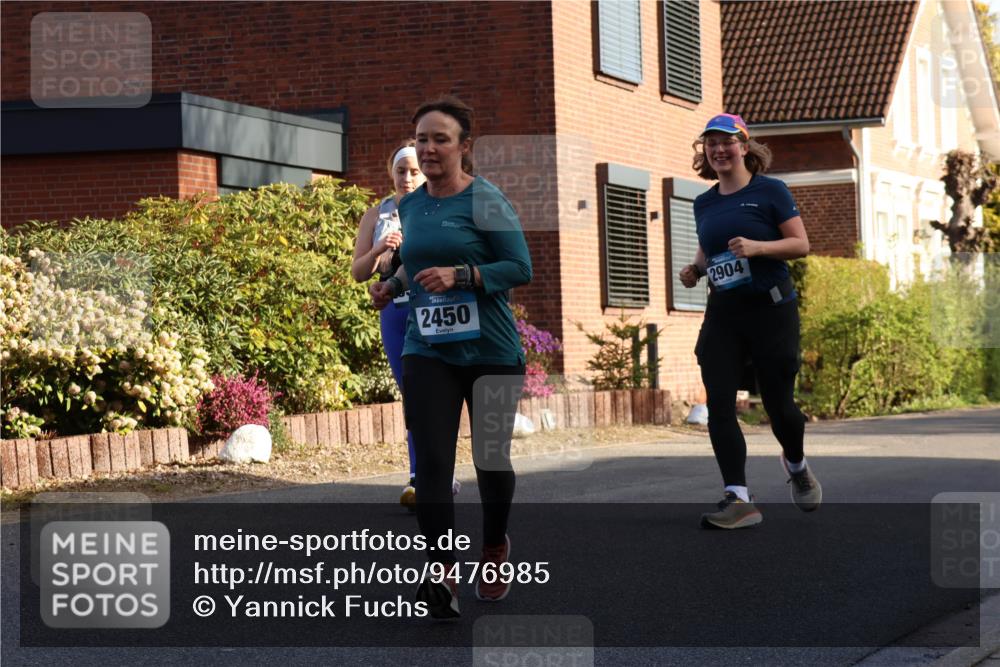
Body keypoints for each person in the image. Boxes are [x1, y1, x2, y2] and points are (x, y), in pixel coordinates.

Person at [370, 96, 532, 617]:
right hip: (428, 347)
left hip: (490, 349)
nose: (429, 147)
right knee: (434, 462)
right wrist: (391, 285)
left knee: (489, 459)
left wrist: (462, 276)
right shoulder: (411, 206)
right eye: (422, 138)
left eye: (440, 138)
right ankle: (439, 573)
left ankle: (494, 546)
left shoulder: (486, 199)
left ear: (465, 146)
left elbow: (518, 266)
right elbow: (415, 263)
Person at [678, 113, 822, 529]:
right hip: (724, 313)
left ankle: (795, 464)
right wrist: (696, 269)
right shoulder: (703, 202)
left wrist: (758, 248)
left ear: (744, 146)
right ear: (705, 151)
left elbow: (800, 244)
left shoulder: (770, 191)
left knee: (781, 409)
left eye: (727, 142)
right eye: (711, 143)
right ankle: (738, 498)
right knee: (719, 403)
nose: (719, 150)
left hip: (771, 309)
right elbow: (711, 250)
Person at [352, 140, 450, 510]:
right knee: (412, 393)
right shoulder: (376, 215)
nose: (407, 177)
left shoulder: (438, 209)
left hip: (434, 310)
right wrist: (380, 250)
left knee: (436, 393)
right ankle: (419, 476)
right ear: (390, 173)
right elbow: (359, 272)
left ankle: (434, 473)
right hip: (395, 314)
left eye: (414, 171)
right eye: (400, 171)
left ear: (424, 173)